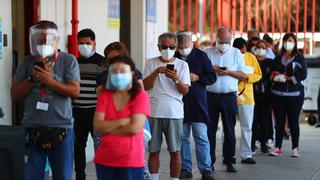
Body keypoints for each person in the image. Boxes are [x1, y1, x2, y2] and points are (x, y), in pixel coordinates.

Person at [11, 20, 80, 180]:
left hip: (61, 128)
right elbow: (15, 94)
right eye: (38, 39)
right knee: (30, 176)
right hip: (32, 128)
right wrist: (32, 79)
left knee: (63, 175)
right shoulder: (26, 62)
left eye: (47, 39)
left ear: (56, 40)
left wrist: (50, 81)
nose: (43, 42)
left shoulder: (68, 60)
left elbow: (75, 91)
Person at [93, 55, 150, 180]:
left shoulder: (140, 96)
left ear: (132, 73)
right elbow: (97, 126)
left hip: (131, 160)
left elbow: (135, 128)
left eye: (122, 71)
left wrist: (107, 128)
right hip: (104, 159)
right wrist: (122, 121)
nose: (118, 75)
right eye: (114, 71)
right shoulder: (105, 95)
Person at [144, 32, 190, 180]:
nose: (167, 49)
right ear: (158, 47)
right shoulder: (151, 63)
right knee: (154, 151)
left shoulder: (183, 65)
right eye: (164, 46)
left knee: (175, 151)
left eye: (171, 47)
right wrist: (157, 72)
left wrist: (176, 79)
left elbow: (185, 90)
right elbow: (144, 85)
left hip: (174, 113)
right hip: (154, 111)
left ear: (176, 47)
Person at [205, 27, 247, 173]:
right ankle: (208, 162)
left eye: (226, 41)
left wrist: (228, 72)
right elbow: (200, 73)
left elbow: (244, 75)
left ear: (230, 40)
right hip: (210, 97)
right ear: (216, 38)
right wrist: (212, 69)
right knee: (209, 131)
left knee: (229, 130)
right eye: (221, 40)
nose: (223, 43)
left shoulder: (236, 53)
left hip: (229, 97)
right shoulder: (208, 52)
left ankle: (230, 161)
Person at [175, 31, 216, 180]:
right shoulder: (174, 57)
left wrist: (198, 77)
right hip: (179, 104)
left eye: (186, 41)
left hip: (199, 104)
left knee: (201, 136)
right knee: (183, 138)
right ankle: (186, 168)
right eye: (180, 41)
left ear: (192, 41)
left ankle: (206, 169)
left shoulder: (201, 56)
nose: (183, 45)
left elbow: (212, 77)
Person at [269, 33, 307, 157]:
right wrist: (275, 76)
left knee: (293, 121)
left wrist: (290, 78)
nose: (288, 43)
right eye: (286, 40)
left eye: (290, 40)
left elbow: (303, 74)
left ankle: (295, 148)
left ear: (295, 42)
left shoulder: (299, 57)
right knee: (279, 122)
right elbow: (273, 71)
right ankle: (277, 147)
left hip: (294, 95)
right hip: (277, 94)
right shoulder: (277, 57)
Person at [73, 28, 103, 180]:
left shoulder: (101, 62)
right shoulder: (74, 62)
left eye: (87, 43)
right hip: (77, 110)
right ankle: (80, 175)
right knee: (78, 146)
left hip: (95, 111)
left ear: (94, 44)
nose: (84, 46)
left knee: (100, 146)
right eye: (81, 43)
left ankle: (103, 175)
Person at [233, 37, 262, 164]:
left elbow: (258, 75)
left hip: (247, 98)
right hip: (231, 96)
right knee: (229, 128)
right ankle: (227, 155)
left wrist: (246, 77)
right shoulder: (230, 56)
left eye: (243, 49)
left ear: (245, 47)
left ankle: (246, 154)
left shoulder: (251, 57)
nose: (241, 51)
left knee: (247, 127)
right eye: (239, 49)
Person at [250, 40, 274, 153]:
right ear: (255, 48)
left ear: (267, 49)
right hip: (252, 96)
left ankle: (264, 144)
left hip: (265, 97)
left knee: (264, 122)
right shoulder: (252, 61)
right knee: (253, 122)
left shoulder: (269, 63)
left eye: (263, 47)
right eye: (258, 47)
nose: (260, 49)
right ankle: (252, 144)